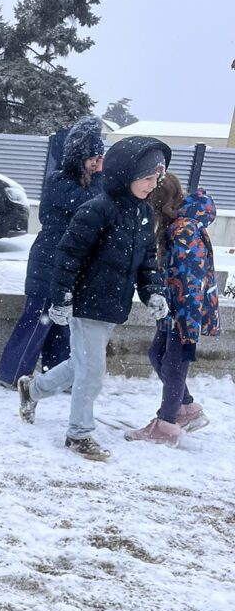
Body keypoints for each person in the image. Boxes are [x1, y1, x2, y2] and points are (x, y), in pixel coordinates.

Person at [16, 135, 172, 461]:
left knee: (81, 364)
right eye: (146, 178)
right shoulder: (96, 210)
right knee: (92, 372)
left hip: (113, 305)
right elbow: (68, 256)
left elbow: (146, 261)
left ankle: (32, 389)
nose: (152, 185)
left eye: (156, 179)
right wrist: (61, 298)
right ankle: (79, 434)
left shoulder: (143, 213)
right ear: (125, 175)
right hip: (86, 303)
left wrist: (153, 292)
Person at [0, 116, 105, 388]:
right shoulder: (60, 181)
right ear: (79, 158)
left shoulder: (83, 183)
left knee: (62, 324)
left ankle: (57, 378)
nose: (97, 164)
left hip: (70, 265)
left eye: (99, 158)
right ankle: (11, 374)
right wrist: (100, 177)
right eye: (93, 159)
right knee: (37, 320)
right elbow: (90, 205)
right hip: (49, 262)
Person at [125, 175, 220, 445]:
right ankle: (186, 408)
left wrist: (186, 321)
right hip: (174, 308)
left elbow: (191, 279)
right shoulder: (177, 226)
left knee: (174, 363)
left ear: (159, 202)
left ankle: (166, 424)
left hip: (183, 311)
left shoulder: (183, 230)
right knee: (158, 354)